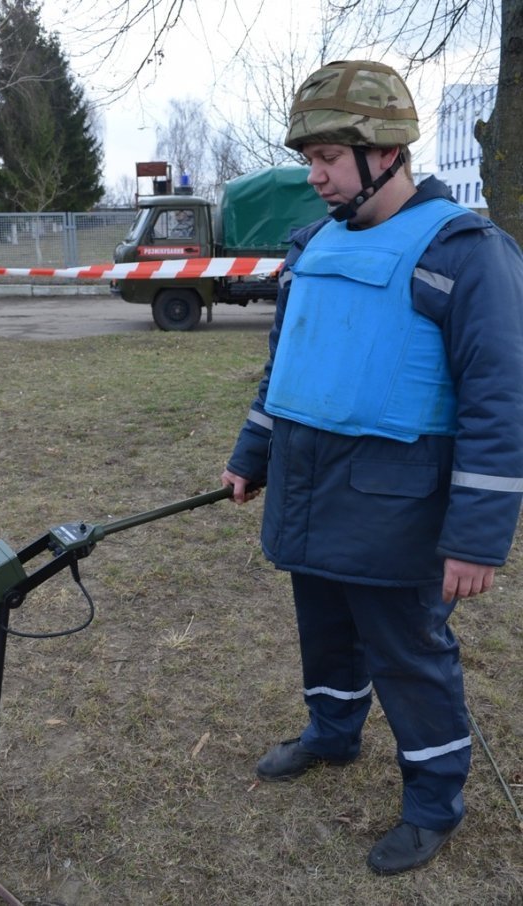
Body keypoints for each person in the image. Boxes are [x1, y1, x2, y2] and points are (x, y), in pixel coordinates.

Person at [221, 59, 523, 876]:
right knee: (323, 632)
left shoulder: (466, 252)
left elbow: (500, 402)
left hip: (399, 506)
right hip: (308, 490)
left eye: (327, 158)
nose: (313, 176)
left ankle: (433, 802)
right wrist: (251, 456)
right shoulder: (312, 246)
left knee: (409, 657)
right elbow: (287, 368)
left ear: (385, 152)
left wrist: (477, 539)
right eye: (309, 159)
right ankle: (332, 732)